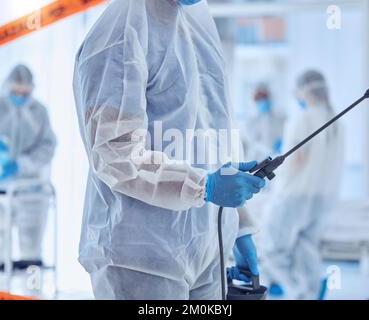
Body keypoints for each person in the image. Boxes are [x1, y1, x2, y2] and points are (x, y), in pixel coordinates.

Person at [73, 0, 265, 300]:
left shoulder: (198, 16)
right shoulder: (121, 29)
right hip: (140, 257)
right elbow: (116, 154)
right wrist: (204, 187)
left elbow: (214, 128)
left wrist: (238, 223)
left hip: (208, 249)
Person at [259, 70, 344, 300]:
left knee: (271, 249)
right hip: (323, 197)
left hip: (295, 195)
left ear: (305, 90)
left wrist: (270, 174)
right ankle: (309, 290)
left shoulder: (303, 118)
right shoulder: (336, 120)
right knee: (305, 248)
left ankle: (298, 290)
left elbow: (295, 160)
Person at [0, 64, 57, 269]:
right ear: (6, 87)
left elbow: (48, 147)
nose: (20, 96)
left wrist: (22, 165)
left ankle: (32, 294)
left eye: (25, 92)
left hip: (30, 192)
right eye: (15, 91)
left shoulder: (39, 112)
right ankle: (0, 293)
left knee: (31, 256)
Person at [243, 84, 285, 160]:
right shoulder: (250, 121)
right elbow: (252, 142)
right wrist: (267, 149)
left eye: (264, 98)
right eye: (259, 99)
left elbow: (284, 135)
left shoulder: (280, 118)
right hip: (257, 159)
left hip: (277, 158)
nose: (263, 101)